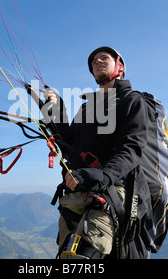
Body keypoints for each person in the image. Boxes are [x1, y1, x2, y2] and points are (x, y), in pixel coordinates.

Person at [45, 46, 153, 259]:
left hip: (110, 192)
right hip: (76, 193)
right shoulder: (87, 108)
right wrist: (53, 108)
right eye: (94, 61)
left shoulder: (133, 101)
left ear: (120, 67)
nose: (98, 62)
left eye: (104, 58)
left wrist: (103, 176)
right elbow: (69, 139)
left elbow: (131, 147)